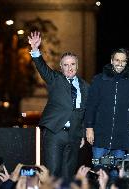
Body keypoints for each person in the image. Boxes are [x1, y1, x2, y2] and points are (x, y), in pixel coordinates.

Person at [28, 31, 89, 181]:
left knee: (68, 176)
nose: (69, 68)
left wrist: (81, 134)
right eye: (66, 65)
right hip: (55, 132)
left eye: (72, 64)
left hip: (74, 136)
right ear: (61, 67)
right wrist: (35, 50)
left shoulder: (86, 87)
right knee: (53, 174)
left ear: (77, 65)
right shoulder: (55, 79)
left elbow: (84, 113)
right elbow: (42, 68)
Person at [85, 48, 129, 165]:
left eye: (123, 61)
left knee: (117, 176)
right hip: (100, 137)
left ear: (126, 62)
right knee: (98, 173)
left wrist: (125, 123)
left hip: (121, 139)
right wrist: (89, 128)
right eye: (117, 60)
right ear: (111, 61)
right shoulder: (99, 79)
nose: (120, 64)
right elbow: (91, 105)